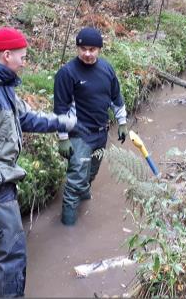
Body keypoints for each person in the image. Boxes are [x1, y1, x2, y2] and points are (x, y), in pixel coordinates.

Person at [0, 27, 76, 297]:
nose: (25, 61)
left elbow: (25, 118)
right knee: (9, 258)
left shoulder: (0, 86)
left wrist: (62, 122)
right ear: (7, 55)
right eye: (23, 55)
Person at [54, 27, 128, 226]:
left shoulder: (107, 69)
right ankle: (68, 227)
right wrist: (63, 138)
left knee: (91, 173)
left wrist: (122, 123)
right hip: (79, 135)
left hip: (100, 132)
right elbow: (60, 108)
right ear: (78, 48)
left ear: (99, 50)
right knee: (77, 178)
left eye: (92, 49)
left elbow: (116, 98)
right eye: (83, 49)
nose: (87, 53)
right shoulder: (67, 73)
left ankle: (84, 202)